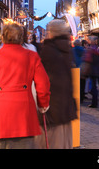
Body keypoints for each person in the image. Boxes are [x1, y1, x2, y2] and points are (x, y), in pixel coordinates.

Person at [0, 21, 51, 149]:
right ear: (22, 38)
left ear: (2, 37)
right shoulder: (32, 57)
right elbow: (43, 84)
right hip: (23, 113)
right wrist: (43, 104)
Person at [34, 19, 77, 149]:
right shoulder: (67, 49)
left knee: (48, 141)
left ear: (51, 33)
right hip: (65, 104)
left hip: (51, 105)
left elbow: (43, 80)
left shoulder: (48, 50)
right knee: (63, 140)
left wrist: (41, 102)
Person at [82, 36, 99, 108]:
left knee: (92, 87)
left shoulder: (90, 50)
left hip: (91, 71)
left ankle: (94, 103)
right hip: (97, 70)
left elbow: (87, 61)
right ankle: (95, 101)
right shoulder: (98, 50)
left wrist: (85, 70)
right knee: (94, 86)